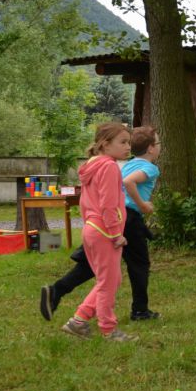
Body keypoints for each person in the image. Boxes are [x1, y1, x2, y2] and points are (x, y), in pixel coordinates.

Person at [40, 126, 161, 323]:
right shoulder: (143, 167)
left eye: (129, 142)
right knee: (136, 265)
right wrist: (142, 205)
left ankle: (58, 291)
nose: (127, 146)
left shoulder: (120, 164)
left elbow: (95, 196)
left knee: (93, 265)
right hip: (121, 218)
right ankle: (137, 312)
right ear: (150, 148)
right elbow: (126, 185)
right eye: (158, 143)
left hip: (102, 221)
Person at [57, 122, 136, 342]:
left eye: (129, 142)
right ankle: (109, 330)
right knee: (108, 283)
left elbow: (85, 203)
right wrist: (115, 233)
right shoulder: (109, 167)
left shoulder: (92, 165)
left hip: (93, 229)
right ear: (105, 144)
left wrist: (92, 225)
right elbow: (108, 205)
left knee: (110, 279)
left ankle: (78, 321)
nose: (128, 147)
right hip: (104, 232)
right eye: (123, 142)